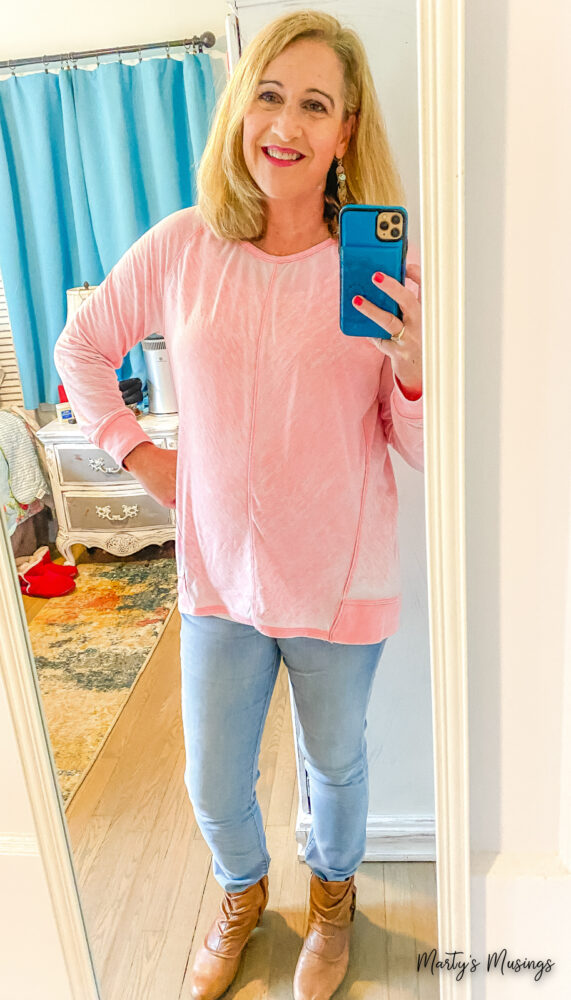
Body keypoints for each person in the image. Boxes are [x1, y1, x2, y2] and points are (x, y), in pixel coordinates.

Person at [54, 9, 424, 1000]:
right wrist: (139, 452)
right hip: (219, 572)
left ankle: (333, 903)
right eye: (270, 94)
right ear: (240, 107)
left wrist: (415, 369)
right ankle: (240, 891)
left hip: (342, 574)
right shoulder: (183, 246)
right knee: (213, 781)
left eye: (315, 104)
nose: (286, 125)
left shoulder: (374, 265)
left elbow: (418, 446)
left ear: (346, 130)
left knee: (333, 766)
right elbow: (80, 349)